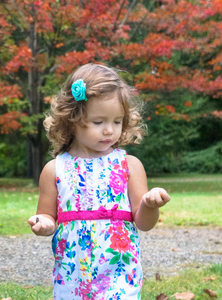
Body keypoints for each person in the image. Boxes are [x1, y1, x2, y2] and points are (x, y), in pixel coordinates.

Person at [28, 63, 170, 299]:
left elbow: (143, 223)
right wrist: (43, 223)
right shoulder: (54, 169)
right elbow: (47, 216)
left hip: (119, 268)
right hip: (73, 272)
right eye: (98, 122)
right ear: (72, 119)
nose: (109, 131)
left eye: (117, 121)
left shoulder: (129, 166)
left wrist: (149, 205)